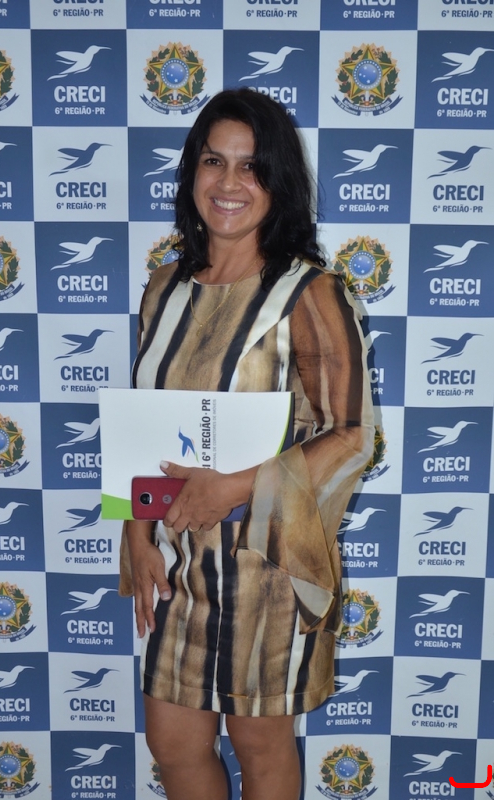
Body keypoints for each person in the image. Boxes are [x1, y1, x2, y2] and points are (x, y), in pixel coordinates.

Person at [119, 88, 374, 800]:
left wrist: (232, 487)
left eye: (251, 166)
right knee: (173, 745)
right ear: (192, 173)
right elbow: (145, 421)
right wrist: (135, 533)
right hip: (180, 561)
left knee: (260, 747)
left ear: (277, 182)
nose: (229, 182)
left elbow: (353, 435)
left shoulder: (309, 292)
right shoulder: (163, 288)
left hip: (269, 565)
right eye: (214, 161)